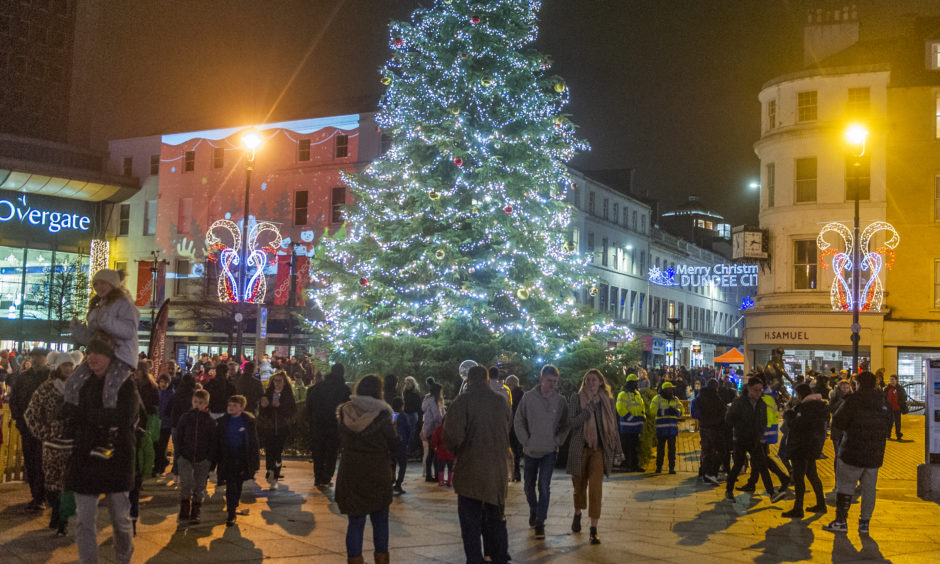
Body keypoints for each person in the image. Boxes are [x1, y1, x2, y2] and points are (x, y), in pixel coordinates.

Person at [66, 337, 141, 564]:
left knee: (120, 519)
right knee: (84, 520)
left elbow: (125, 417)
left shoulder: (126, 384)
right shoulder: (82, 383)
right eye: (89, 353)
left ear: (111, 357)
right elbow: (71, 415)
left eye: (98, 353)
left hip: (116, 459)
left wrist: (88, 416)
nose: (92, 358)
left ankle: (123, 560)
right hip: (86, 458)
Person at [65, 268, 140, 460]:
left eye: (103, 283)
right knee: (74, 381)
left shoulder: (124, 304)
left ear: (113, 284)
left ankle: (108, 434)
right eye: (96, 284)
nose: (99, 287)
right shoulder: (98, 305)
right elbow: (91, 337)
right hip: (99, 352)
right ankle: (70, 422)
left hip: (120, 355)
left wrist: (105, 320)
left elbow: (128, 331)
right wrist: (77, 329)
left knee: (111, 387)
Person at [444, 365, 512, 564]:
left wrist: (458, 451)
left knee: (470, 523)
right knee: (495, 518)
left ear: (469, 380)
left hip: (470, 471)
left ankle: (475, 559)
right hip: (496, 471)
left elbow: (453, 436)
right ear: (488, 379)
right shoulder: (501, 402)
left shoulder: (462, 402)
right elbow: (506, 429)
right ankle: (499, 556)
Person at [335, 375, 398, 564]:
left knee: (355, 521)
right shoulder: (384, 414)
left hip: (351, 470)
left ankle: (354, 560)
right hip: (377, 470)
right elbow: (394, 444)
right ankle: (381, 559)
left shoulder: (345, 412)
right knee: (380, 520)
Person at [823, 371, 892, 534]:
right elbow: (889, 424)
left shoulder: (853, 401)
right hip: (874, 454)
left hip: (852, 451)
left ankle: (841, 521)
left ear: (858, 384)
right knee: (869, 489)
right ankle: (864, 523)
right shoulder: (882, 401)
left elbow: (838, 421)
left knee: (846, 485)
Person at [23, 350, 83, 535]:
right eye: (65, 365)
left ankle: (62, 520)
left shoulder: (79, 389)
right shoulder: (46, 388)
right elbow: (30, 414)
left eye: (70, 366)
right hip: (51, 446)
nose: (68, 369)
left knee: (68, 485)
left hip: (72, 445)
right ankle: (56, 512)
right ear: (58, 367)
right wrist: (45, 433)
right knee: (52, 484)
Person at [566, 369, 622, 545]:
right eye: (588, 380)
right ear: (585, 382)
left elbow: (613, 426)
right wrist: (586, 413)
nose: (591, 383)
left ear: (600, 382)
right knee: (579, 486)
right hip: (580, 448)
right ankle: (577, 513)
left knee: (596, 488)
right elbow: (571, 423)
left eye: (594, 380)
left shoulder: (607, 401)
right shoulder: (577, 399)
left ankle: (593, 529)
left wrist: (618, 450)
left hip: (599, 449)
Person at [513, 364, 568, 539]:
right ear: (541, 379)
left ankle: (540, 522)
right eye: (549, 381)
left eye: (555, 382)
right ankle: (534, 510)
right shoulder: (528, 398)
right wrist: (526, 441)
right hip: (531, 450)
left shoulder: (560, 401)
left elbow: (566, 424)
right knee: (529, 486)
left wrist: (558, 440)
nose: (552, 385)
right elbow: (518, 421)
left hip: (549, 450)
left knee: (544, 486)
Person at [8, 346, 50, 510]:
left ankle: (45, 496)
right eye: (34, 356)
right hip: (27, 427)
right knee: (31, 462)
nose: (36, 359)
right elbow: (15, 399)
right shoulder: (23, 377)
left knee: (44, 462)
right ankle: (36, 496)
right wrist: (18, 419)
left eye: (40, 356)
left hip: (46, 429)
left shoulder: (49, 377)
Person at [779, 383, 828, 518]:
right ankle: (821, 503)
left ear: (800, 395)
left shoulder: (806, 407)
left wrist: (789, 413)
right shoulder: (819, 405)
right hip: (813, 446)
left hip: (801, 446)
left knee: (799, 478)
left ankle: (798, 508)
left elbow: (796, 425)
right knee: (812, 475)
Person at [212, 394, 260, 527]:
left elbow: (254, 443)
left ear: (241, 407)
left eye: (234, 405)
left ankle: (233, 503)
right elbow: (216, 442)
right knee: (231, 485)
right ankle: (231, 512)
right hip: (227, 458)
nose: (231, 408)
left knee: (237, 484)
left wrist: (254, 462)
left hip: (242, 458)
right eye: (229, 405)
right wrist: (213, 460)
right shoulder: (222, 422)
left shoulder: (248, 422)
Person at [725, 376, 776, 500]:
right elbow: (729, 418)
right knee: (737, 465)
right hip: (741, 439)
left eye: (760, 390)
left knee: (763, 465)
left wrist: (760, 432)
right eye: (756, 390)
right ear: (749, 389)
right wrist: (739, 427)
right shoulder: (739, 402)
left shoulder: (761, 403)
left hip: (755, 439)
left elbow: (763, 420)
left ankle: (772, 493)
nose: (759, 393)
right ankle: (729, 490)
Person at [306, 363, 351, 486]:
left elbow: (310, 405)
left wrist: (311, 420)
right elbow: (348, 409)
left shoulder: (319, 387)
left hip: (318, 424)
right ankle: (326, 477)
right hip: (334, 426)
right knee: (331, 452)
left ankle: (318, 476)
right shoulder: (345, 389)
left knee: (318, 451)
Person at [175, 389, 214, 524]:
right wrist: (178, 455)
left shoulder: (209, 420)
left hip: (202, 458)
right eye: (195, 402)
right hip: (185, 456)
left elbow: (212, 440)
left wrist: (209, 458)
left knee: (199, 485)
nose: (197, 405)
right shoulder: (185, 417)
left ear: (206, 404)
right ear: (192, 402)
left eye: (201, 402)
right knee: (186, 483)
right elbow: (178, 436)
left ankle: (195, 511)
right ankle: (184, 510)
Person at [258, 370, 296, 488]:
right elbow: (263, 412)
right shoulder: (268, 393)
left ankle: (275, 473)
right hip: (269, 427)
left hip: (281, 427)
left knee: (277, 452)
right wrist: (264, 406)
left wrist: (280, 406)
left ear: (285, 382)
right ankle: (270, 471)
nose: (277, 383)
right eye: (275, 380)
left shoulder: (288, 395)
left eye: (280, 381)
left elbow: (292, 411)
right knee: (269, 450)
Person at [692, 379, 726, 485]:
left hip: (703, 427)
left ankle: (704, 473)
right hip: (714, 427)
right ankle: (711, 473)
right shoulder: (715, 397)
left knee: (706, 450)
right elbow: (723, 410)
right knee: (719, 451)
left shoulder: (700, 396)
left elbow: (695, 412)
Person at [649, 381, 683, 474]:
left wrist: (676, 411)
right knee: (660, 449)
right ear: (665, 390)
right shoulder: (657, 399)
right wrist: (666, 411)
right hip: (661, 429)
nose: (672, 391)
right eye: (670, 389)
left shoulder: (675, 399)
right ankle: (658, 467)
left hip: (672, 429)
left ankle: (671, 468)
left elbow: (681, 410)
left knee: (672, 450)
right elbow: (652, 411)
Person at [615, 373, 645, 472]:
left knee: (635, 447)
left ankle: (635, 466)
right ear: (630, 383)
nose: (637, 384)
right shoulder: (622, 394)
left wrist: (642, 415)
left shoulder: (637, 393)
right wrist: (630, 417)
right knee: (627, 447)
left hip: (636, 426)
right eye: (635, 382)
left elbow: (641, 405)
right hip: (627, 426)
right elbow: (620, 408)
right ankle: (626, 465)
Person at [421, 381, 445, 483]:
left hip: (428, 428)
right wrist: (443, 421)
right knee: (435, 453)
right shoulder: (435, 401)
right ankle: (435, 476)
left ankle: (429, 475)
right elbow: (437, 416)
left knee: (430, 453)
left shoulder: (427, 400)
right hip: (435, 429)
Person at [390, 397, 413, 494]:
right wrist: (408, 443)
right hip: (401, 443)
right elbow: (409, 430)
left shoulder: (392, 415)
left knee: (392, 464)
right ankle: (398, 484)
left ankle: (391, 481)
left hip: (392, 443)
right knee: (403, 465)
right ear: (402, 405)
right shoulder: (404, 416)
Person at [505, 374, 525, 482]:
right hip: (519, 426)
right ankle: (516, 473)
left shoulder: (509, 394)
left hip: (510, 425)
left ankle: (511, 473)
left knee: (510, 450)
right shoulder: (522, 394)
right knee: (516, 451)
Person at [154, 374, 175, 476]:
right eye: (162, 381)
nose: (163, 384)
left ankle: (159, 468)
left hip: (166, 424)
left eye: (165, 382)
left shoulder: (172, 394)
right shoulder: (157, 392)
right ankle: (162, 462)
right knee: (157, 446)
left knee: (162, 446)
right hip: (156, 423)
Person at [430, 415, 455, 487]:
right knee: (451, 468)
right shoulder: (453, 430)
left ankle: (441, 482)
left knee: (441, 468)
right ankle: (450, 482)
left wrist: (435, 449)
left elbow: (433, 441)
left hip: (441, 453)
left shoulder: (438, 429)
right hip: (451, 453)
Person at [884, 374, 907, 440]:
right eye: (890, 380)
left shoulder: (900, 388)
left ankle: (898, 435)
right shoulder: (887, 388)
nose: (891, 381)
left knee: (898, 423)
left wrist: (900, 403)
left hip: (897, 408)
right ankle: (888, 435)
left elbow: (904, 397)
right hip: (889, 409)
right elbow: (884, 396)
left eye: (892, 380)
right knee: (889, 422)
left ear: (896, 380)